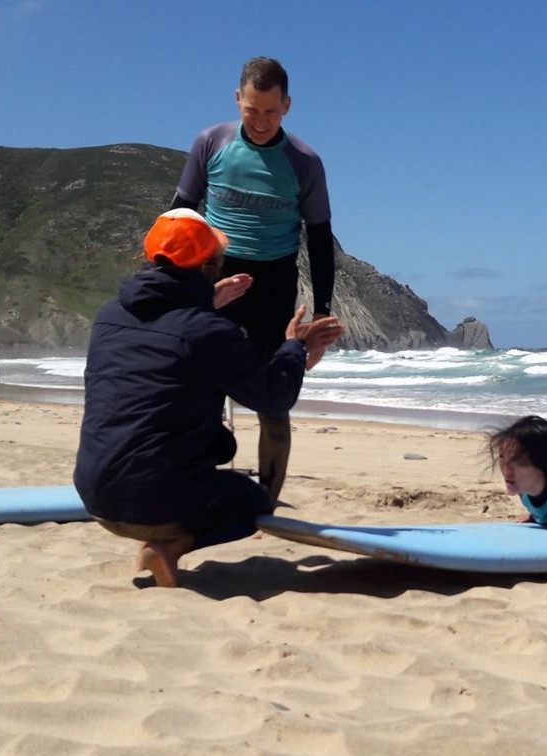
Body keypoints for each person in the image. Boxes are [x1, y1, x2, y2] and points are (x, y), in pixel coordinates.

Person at [73, 208, 343, 587]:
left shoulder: (109, 316)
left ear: (151, 258)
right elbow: (273, 397)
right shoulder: (209, 331)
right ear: (208, 269)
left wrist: (203, 303)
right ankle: (171, 547)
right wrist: (294, 348)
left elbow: (165, 336)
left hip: (94, 497)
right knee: (254, 503)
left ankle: (163, 542)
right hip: (155, 504)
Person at [171, 56, 336, 506]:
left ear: (287, 106)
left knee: (274, 402)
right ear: (237, 100)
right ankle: (194, 486)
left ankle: (266, 503)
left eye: (271, 112)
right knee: (195, 391)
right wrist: (170, 282)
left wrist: (321, 311)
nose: (261, 122)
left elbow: (320, 238)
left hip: (273, 284)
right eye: (252, 110)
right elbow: (180, 213)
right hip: (214, 274)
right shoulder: (211, 143)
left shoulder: (304, 162)